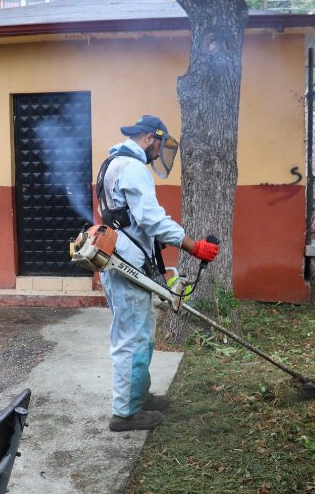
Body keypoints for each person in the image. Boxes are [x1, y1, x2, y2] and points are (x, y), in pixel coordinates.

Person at [98, 115, 219, 432]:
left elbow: (131, 224)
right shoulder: (133, 167)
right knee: (132, 338)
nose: (159, 154)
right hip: (127, 266)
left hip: (122, 259)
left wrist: (157, 267)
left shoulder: (112, 162)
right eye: (159, 145)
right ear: (150, 138)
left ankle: (138, 396)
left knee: (140, 332)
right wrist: (193, 245)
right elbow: (151, 220)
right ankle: (125, 413)